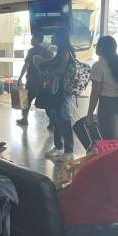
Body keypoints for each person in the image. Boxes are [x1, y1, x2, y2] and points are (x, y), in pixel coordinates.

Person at [86, 36, 118, 140]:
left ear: (101, 48)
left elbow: (96, 91)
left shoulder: (98, 66)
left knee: (109, 140)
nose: (95, 48)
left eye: (96, 46)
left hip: (107, 105)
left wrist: (90, 113)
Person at [44, 29, 75, 161]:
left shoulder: (66, 52)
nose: (51, 39)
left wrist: (48, 73)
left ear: (60, 38)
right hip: (56, 90)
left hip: (62, 90)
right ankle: (58, 146)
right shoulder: (59, 52)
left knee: (64, 118)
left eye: (54, 36)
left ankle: (69, 149)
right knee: (56, 117)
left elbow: (61, 71)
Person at [16, 33, 53, 126]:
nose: (31, 40)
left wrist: (20, 77)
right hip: (43, 81)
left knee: (25, 99)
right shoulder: (46, 51)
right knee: (45, 101)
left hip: (32, 80)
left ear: (37, 40)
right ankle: (52, 122)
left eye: (33, 39)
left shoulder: (32, 51)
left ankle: (24, 119)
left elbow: (26, 64)